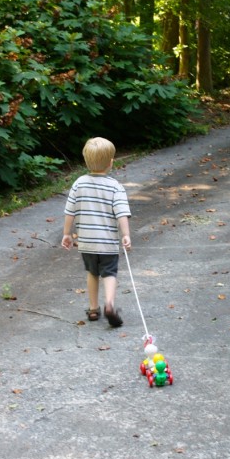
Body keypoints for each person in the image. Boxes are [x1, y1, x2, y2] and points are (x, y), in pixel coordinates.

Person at [62, 137, 131, 327]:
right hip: (107, 243)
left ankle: (93, 309)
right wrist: (126, 235)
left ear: (86, 161)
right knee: (109, 273)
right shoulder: (115, 187)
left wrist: (66, 233)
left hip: (87, 242)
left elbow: (70, 212)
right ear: (111, 163)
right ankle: (109, 304)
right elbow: (122, 214)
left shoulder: (79, 184)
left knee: (92, 273)